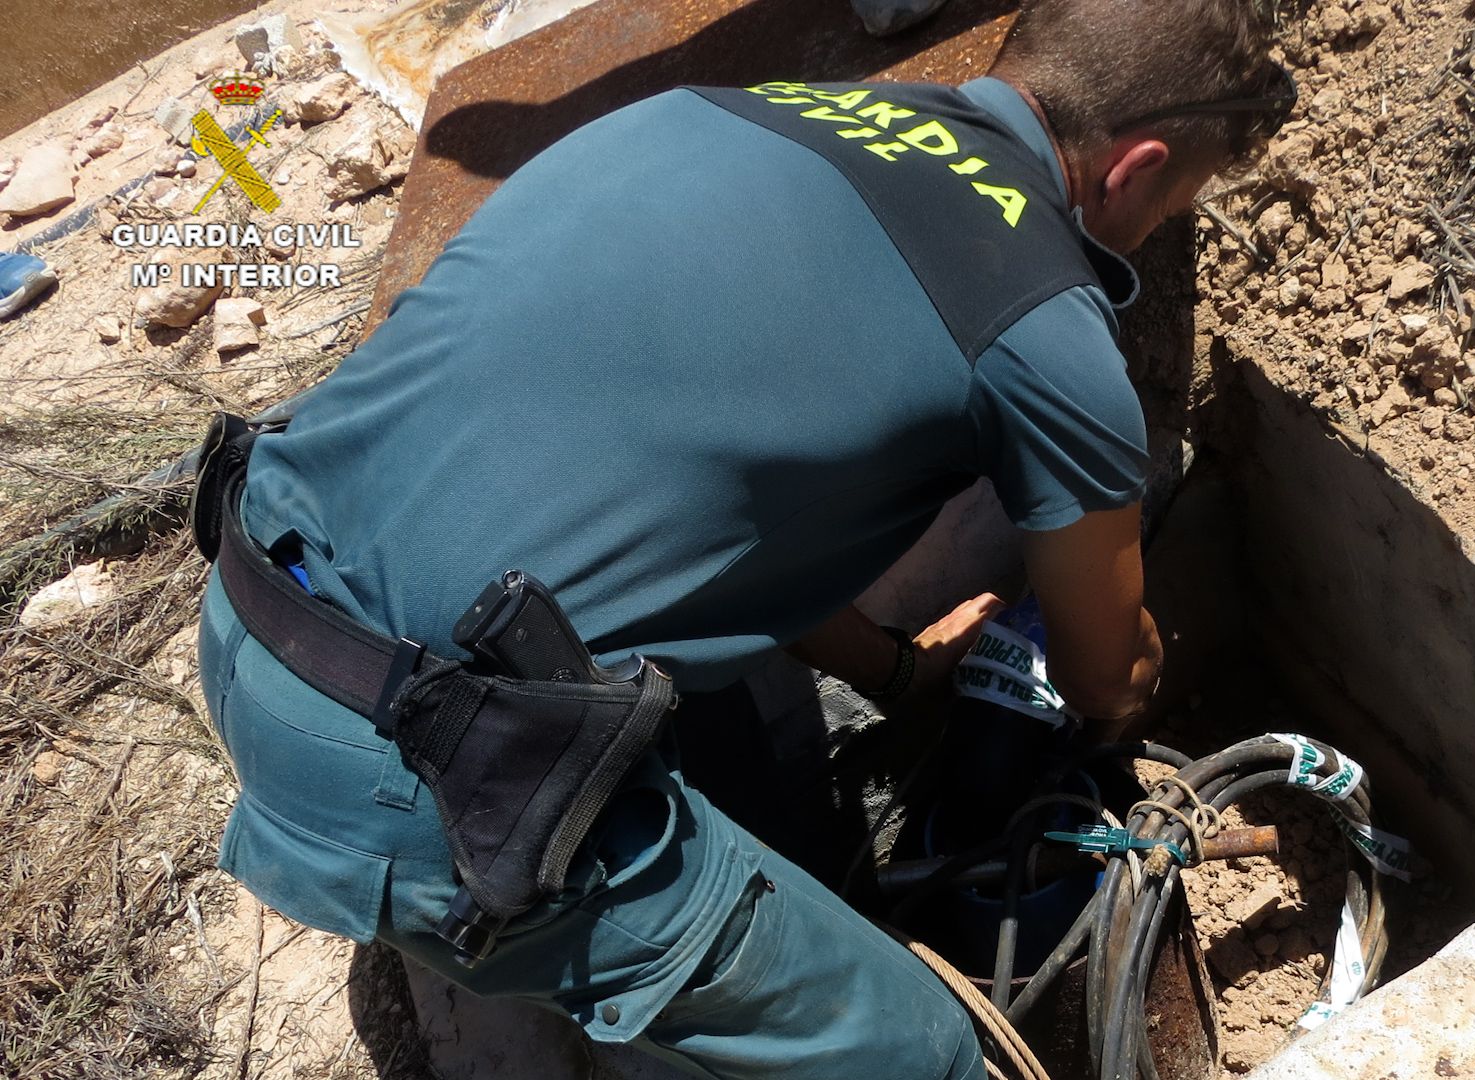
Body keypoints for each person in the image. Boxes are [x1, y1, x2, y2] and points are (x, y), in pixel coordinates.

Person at [194, 1, 1293, 1076]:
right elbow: (1105, 675)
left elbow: (727, 513)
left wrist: (897, 669)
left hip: (254, 597)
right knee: (937, 1055)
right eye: (1177, 198)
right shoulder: (1043, 321)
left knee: (745, 708)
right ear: (1138, 167)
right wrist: (1137, 681)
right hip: (441, 785)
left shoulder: (728, 114)